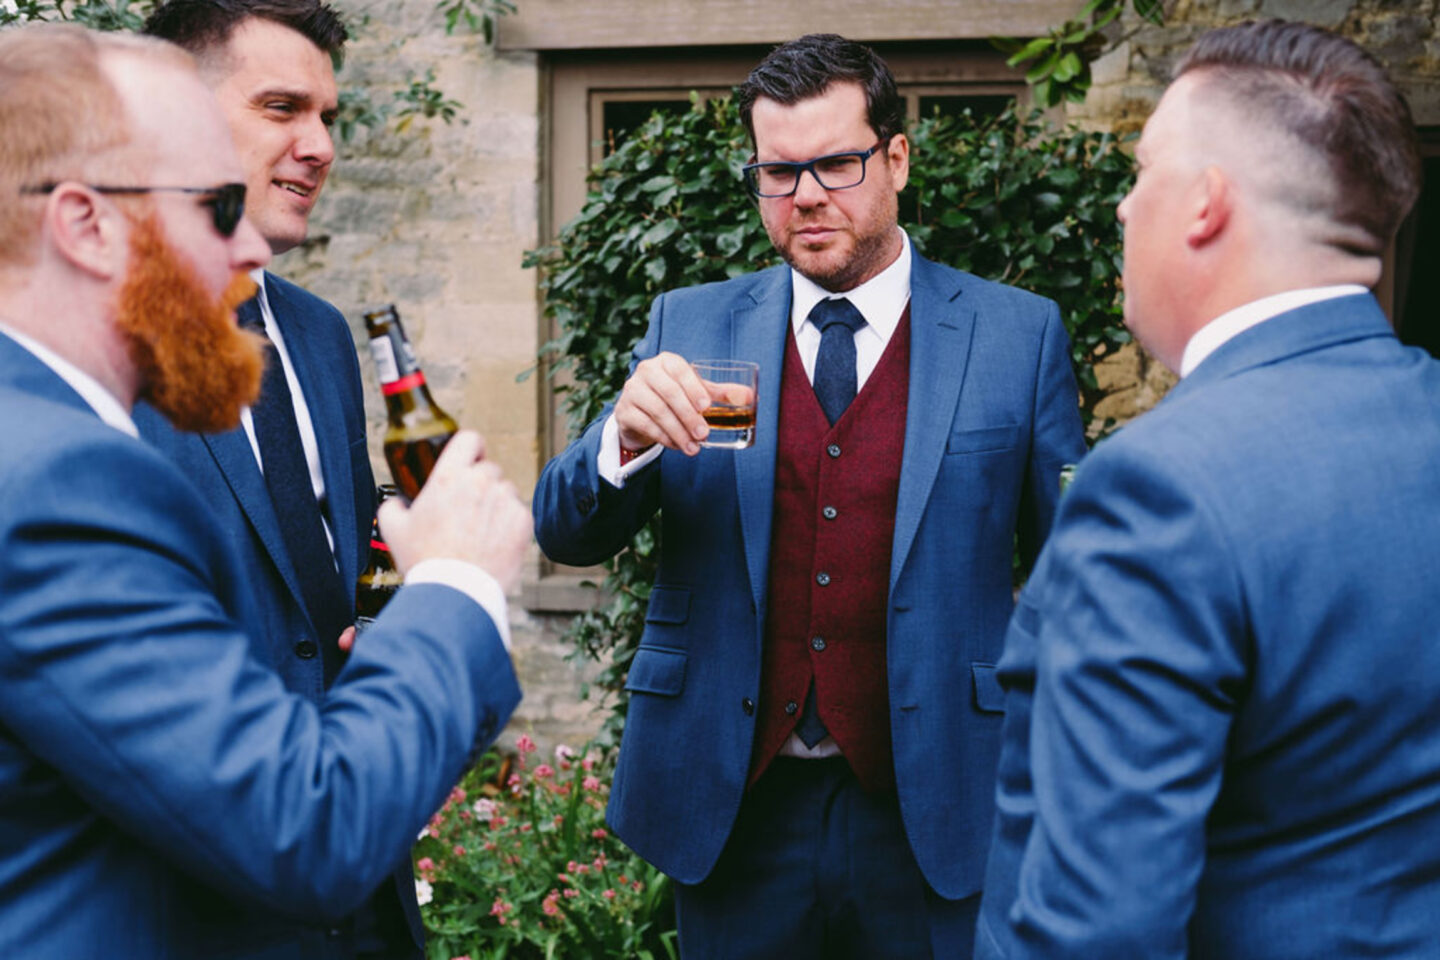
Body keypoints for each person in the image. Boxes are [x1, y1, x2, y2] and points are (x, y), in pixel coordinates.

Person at [533, 33, 1085, 960]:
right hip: (736, 802)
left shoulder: (1015, 336)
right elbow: (566, 532)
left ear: (897, 158)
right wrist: (618, 442)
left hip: (936, 799)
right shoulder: (691, 322)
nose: (808, 195)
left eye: (836, 162)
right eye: (779, 173)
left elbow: (1075, 576)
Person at [0, 23, 529, 957]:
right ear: (84, 222)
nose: (250, 247)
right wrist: (457, 585)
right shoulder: (55, 484)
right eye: (213, 208)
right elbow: (304, 829)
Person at [974, 18, 1436, 960]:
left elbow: (1097, 933)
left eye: (1142, 172)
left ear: (1204, 204)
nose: (1120, 208)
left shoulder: (1158, 492)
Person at [134, 1, 417, 953]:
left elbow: (331, 567)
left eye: (330, 116)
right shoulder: (102, 353)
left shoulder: (325, 338)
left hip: (359, 880)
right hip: (197, 897)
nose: (321, 145)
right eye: (283, 107)